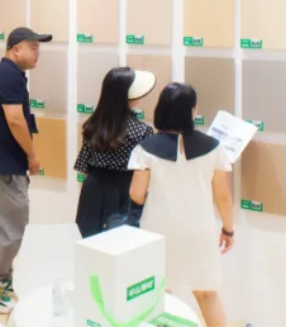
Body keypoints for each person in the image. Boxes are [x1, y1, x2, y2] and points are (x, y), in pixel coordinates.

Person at [128, 82, 235, 327]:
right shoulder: (214, 148)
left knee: (158, 293)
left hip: (158, 230)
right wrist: (228, 229)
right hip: (199, 230)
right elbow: (223, 196)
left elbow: (136, 194)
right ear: (192, 110)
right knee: (206, 293)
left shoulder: (145, 148)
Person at [0, 27, 52, 314]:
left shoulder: (11, 75)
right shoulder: (7, 75)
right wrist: (32, 156)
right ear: (15, 49)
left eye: (38, 48)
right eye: (33, 47)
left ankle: (1, 281)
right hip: (3, 166)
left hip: (4, 165)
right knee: (13, 231)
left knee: (9, 227)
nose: (37, 53)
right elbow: (16, 120)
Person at [74, 67, 157, 237]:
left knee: (88, 239)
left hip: (93, 188)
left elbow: (83, 165)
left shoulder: (92, 125)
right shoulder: (142, 131)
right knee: (120, 241)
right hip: (125, 190)